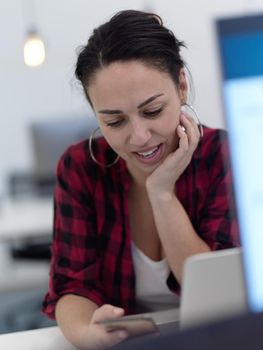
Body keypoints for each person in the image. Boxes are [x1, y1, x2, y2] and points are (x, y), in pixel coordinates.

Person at [42, 9, 239, 350]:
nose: (139, 137)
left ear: (181, 85)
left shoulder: (224, 155)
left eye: (152, 111)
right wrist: (90, 334)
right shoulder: (80, 167)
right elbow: (71, 285)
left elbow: (215, 295)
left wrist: (161, 193)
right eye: (115, 121)